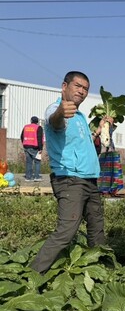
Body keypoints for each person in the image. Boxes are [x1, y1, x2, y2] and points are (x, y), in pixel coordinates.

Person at [30, 71, 105, 274]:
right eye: (78, 86)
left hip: (89, 179)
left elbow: (79, 144)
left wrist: (99, 131)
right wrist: (61, 112)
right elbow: (54, 121)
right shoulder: (56, 109)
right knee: (66, 231)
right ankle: (32, 276)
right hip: (70, 179)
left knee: (96, 228)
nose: (82, 91)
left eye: (86, 89)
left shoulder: (80, 117)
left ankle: (100, 272)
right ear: (64, 86)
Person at [21, 116, 44, 182]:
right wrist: (40, 148)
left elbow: (22, 136)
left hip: (26, 146)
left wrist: (24, 143)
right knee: (37, 162)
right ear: (37, 122)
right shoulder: (38, 127)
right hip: (35, 147)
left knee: (29, 162)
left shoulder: (26, 127)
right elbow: (39, 138)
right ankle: (36, 177)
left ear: (31, 121)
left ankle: (28, 177)